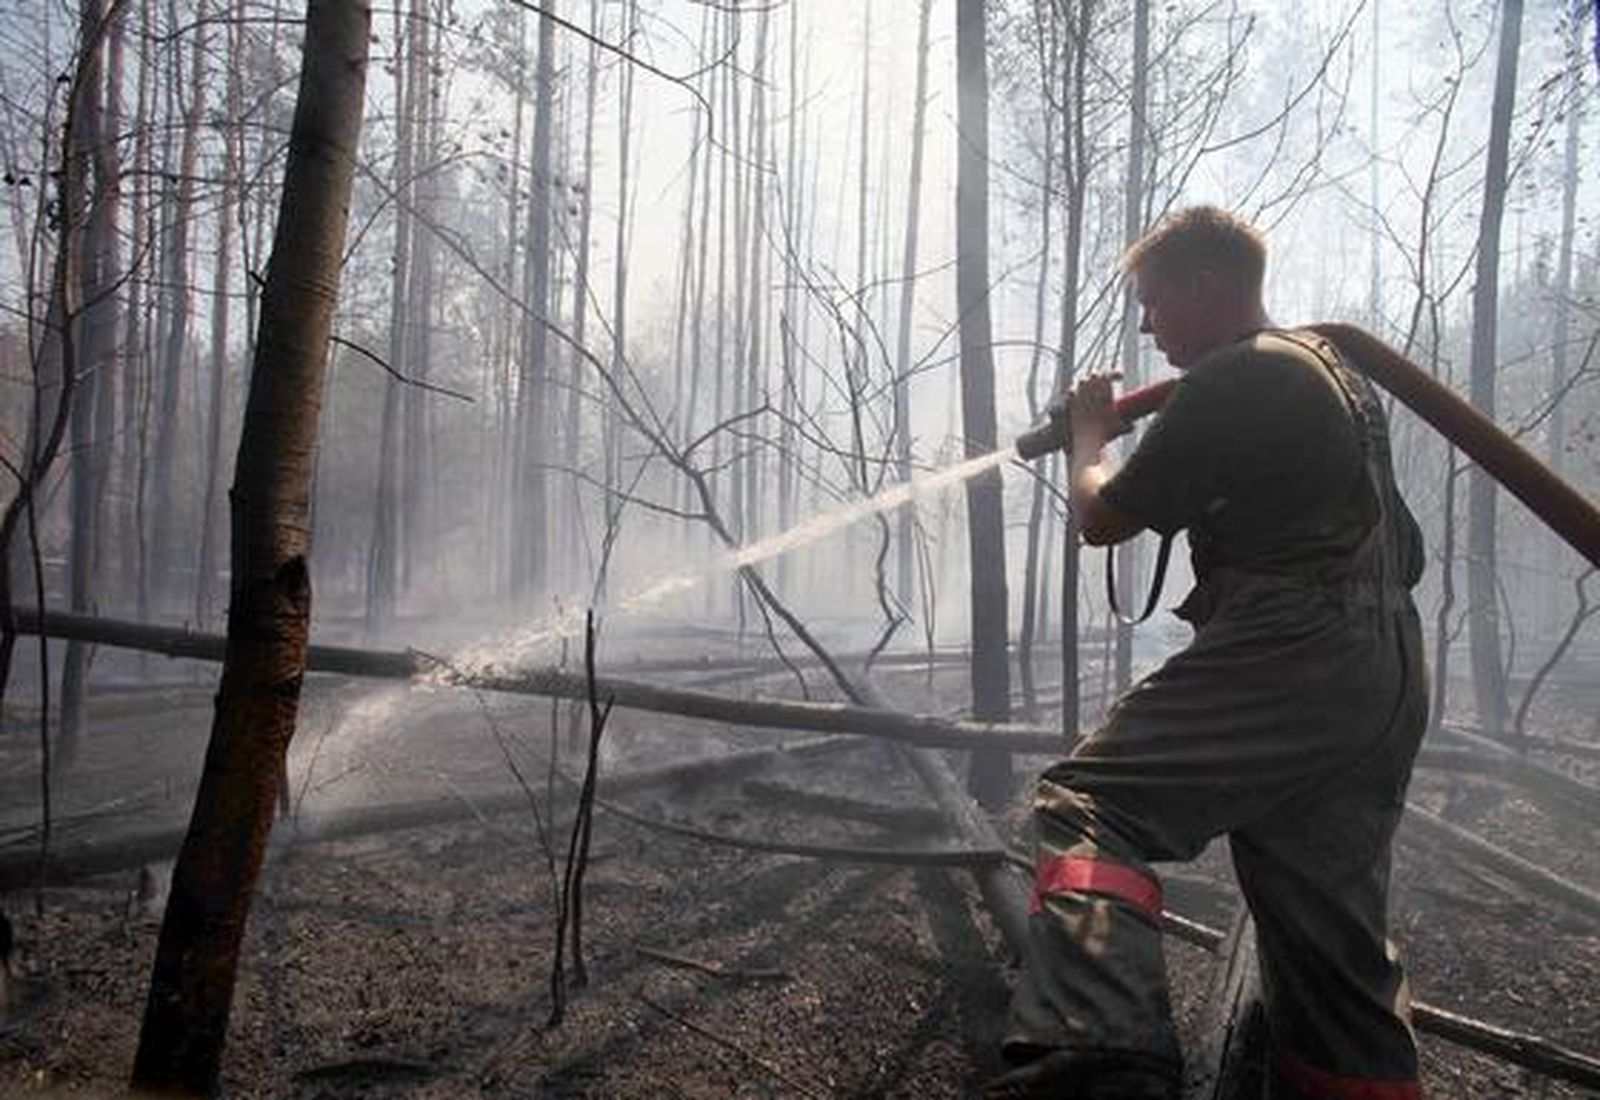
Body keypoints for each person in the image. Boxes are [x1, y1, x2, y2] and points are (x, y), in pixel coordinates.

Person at [983, 206, 1428, 1100]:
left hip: (1297, 652)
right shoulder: (1327, 371)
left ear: (1204, 286)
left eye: (1152, 304)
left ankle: (1097, 1061)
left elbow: (1102, 517)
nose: (1146, 326)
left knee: (1089, 799)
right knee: (1327, 944)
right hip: (1381, 673)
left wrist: (1086, 439)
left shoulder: (1245, 374)